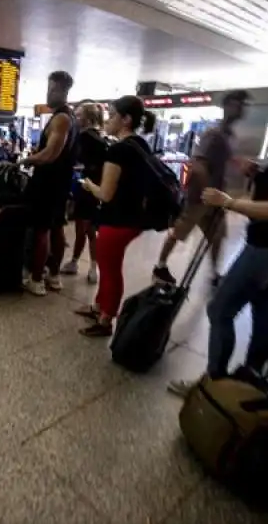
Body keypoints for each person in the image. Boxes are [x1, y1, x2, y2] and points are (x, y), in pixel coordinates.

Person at [168, 75, 268, 396]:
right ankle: (250, 379)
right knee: (267, 312)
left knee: (221, 309)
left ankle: (213, 383)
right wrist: (264, 174)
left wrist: (227, 202)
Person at [74, 95, 156, 336]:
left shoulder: (118, 150)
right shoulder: (141, 144)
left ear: (126, 119)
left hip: (117, 219)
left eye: (112, 115)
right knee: (110, 265)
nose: (107, 120)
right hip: (134, 218)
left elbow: (106, 194)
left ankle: (106, 320)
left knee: (110, 270)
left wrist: (89, 185)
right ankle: (99, 307)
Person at [153, 90, 250, 287]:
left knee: (218, 235)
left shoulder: (227, 135)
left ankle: (215, 273)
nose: (243, 109)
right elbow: (198, 164)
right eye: (240, 104)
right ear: (229, 105)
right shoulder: (213, 134)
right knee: (180, 231)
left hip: (215, 197)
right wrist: (208, 191)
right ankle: (160, 265)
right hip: (201, 197)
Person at [21, 71, 78, 295]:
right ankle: (54, 276)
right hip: (60, 183)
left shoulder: (62, 119)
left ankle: (36, 279)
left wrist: (26, 160)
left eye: (52, 89)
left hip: (48, 183)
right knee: (56, 227)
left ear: (63, 91)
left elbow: (51, 155)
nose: (48, 93)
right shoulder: (69, 117)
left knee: (41, 230)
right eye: (48, 88)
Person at [61, 102, 108, 284]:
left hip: (88, 188)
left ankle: (91, 265)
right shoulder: (99, 139)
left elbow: (78, 162)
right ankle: (78, 262)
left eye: (79, 115)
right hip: (90, 188)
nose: (76, 119)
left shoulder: (85, 138)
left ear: (88, 118)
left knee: (88, 229)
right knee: (84, 228)